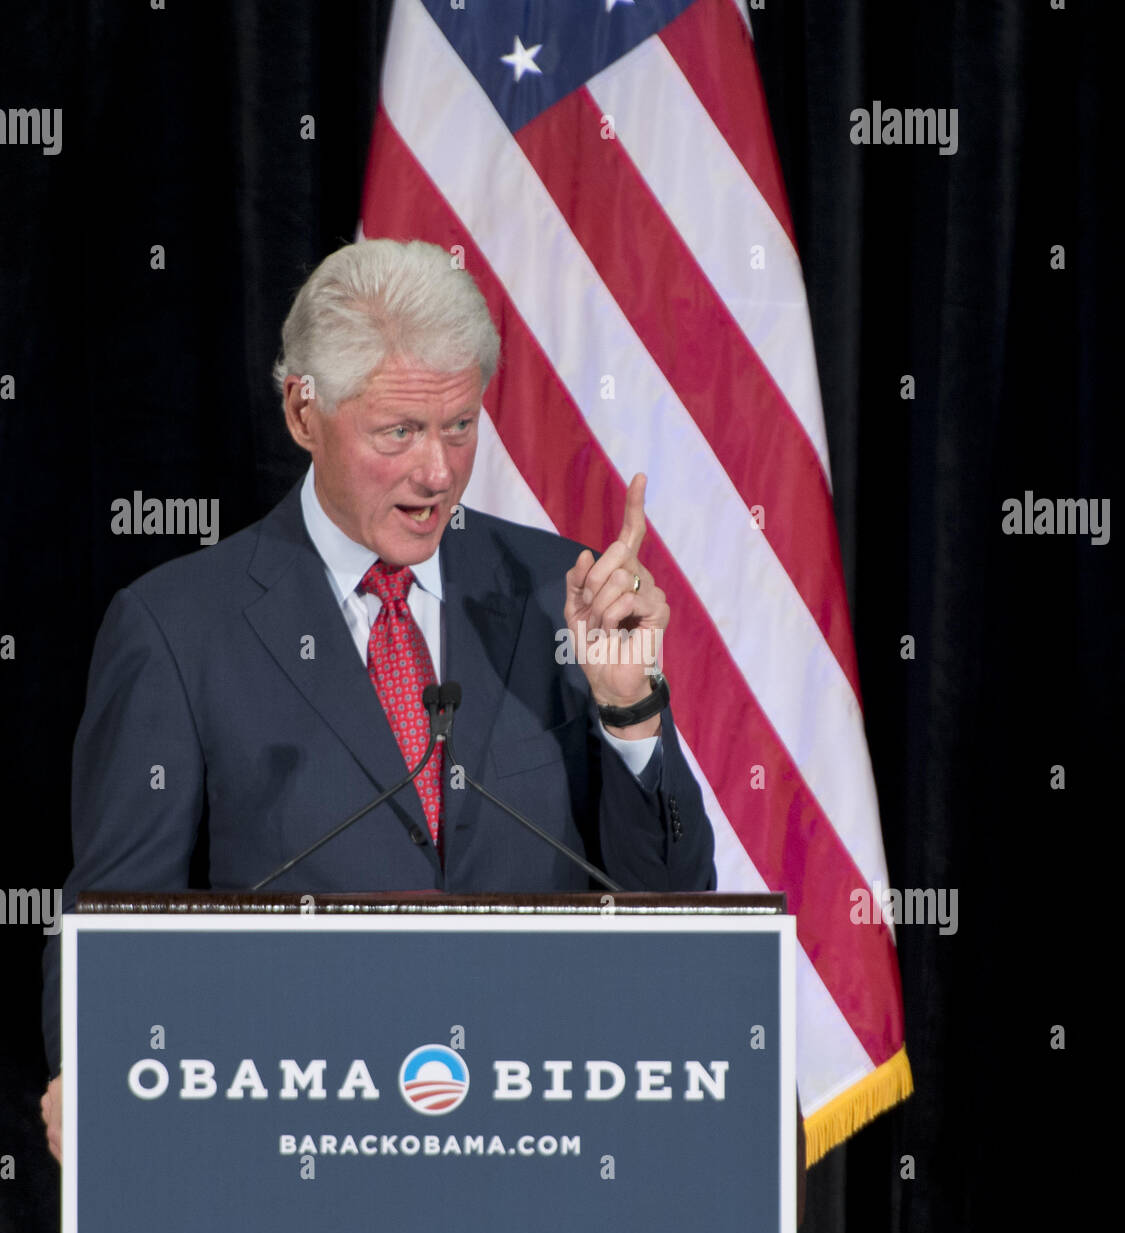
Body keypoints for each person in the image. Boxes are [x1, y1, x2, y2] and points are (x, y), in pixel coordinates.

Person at [40, 238, 716, 1159]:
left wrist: (630, 710)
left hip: (546, 1153)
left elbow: (669, 908)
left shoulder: (562, 590)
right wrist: (95, 1063)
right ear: (302, 410)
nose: (437, 472)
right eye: (398, 431)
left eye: (460, 426)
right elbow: (115, 918)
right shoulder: (176, 630)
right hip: (294, 1163)